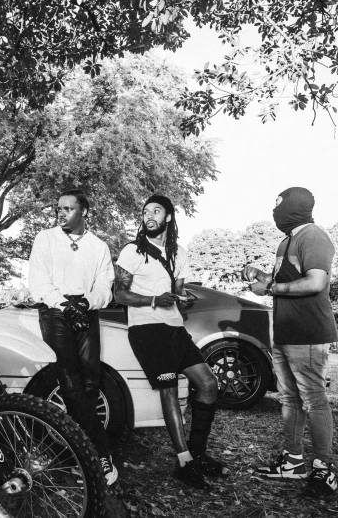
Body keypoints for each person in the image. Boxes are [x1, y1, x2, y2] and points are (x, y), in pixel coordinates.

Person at [114, 195, 226, 490]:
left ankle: (198, 453)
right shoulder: (132, 251)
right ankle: (184, 461)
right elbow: (120, 295)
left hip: (175, 327)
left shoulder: (180, 252)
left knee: (208, 384)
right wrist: (152, 299)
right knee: (170, 392)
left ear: (168, 217)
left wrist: (183, 301)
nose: (148, 215)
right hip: (147, 329)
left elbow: (176, 293)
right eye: (145, 211)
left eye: (156, 210)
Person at [241, 187, 338, 496]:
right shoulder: (286, 241)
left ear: (295, 206)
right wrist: (259, 274)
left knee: (313, 399)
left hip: (308, 334)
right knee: (289, 400)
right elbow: (284, 281)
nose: (274, 211)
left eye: (278, 204)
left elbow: (315, 282)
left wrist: (269, 287)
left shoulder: (313, 236)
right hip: (284, 333)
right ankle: (293, 462)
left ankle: (324, 469)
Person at [27, 189, 118, 485]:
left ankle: (75, 454)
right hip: (55, 311)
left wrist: (85, 304)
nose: (61, 213)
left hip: (86, 311)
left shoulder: (99, 246)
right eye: (58, 208)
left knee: (90, 382)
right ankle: (101, 453)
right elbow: (38, 281)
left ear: (84, 212)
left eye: (68, 208)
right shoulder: (46, 239)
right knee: (68, 381)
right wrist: (66, 305)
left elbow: (105, 286)